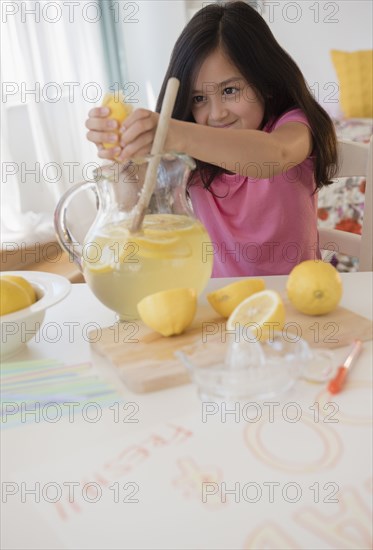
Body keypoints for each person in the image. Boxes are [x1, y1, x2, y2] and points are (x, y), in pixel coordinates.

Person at [86, 0, 338, 277]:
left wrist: (176, 133)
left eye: (230, 90)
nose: (216, 114)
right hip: (217, 306)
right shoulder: (188, 152)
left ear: (265, 83)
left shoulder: (293, 125)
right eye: (198, 98)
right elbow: (128, 208)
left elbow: (274, 155)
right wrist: (123, 151)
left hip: (295, 303)